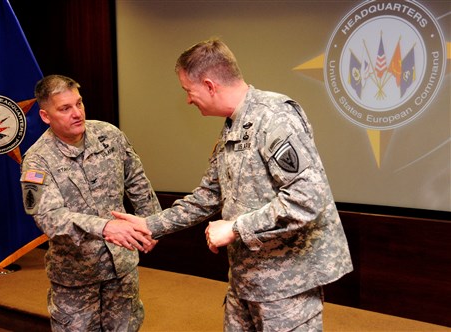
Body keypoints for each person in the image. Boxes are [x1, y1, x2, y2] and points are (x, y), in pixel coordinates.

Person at [111, 38, 353, 331]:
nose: (188, 99)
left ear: (211, 85)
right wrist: (150, 225)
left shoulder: (275, 117)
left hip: (287, 288)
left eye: (189, 90)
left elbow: (306, 198)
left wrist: (235, 228)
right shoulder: (233, 125)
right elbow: (208, 196)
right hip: (246, 280)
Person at [20, 74, 161, 331]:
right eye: (65, 108)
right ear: (45, 116)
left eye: (79, 103)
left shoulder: (110, 136)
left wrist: (152, 223)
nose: (77, 113)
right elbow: (49, 218)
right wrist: (105, 227)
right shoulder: (37, 160)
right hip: (75, 276)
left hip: (121, 267)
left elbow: (137, 182)